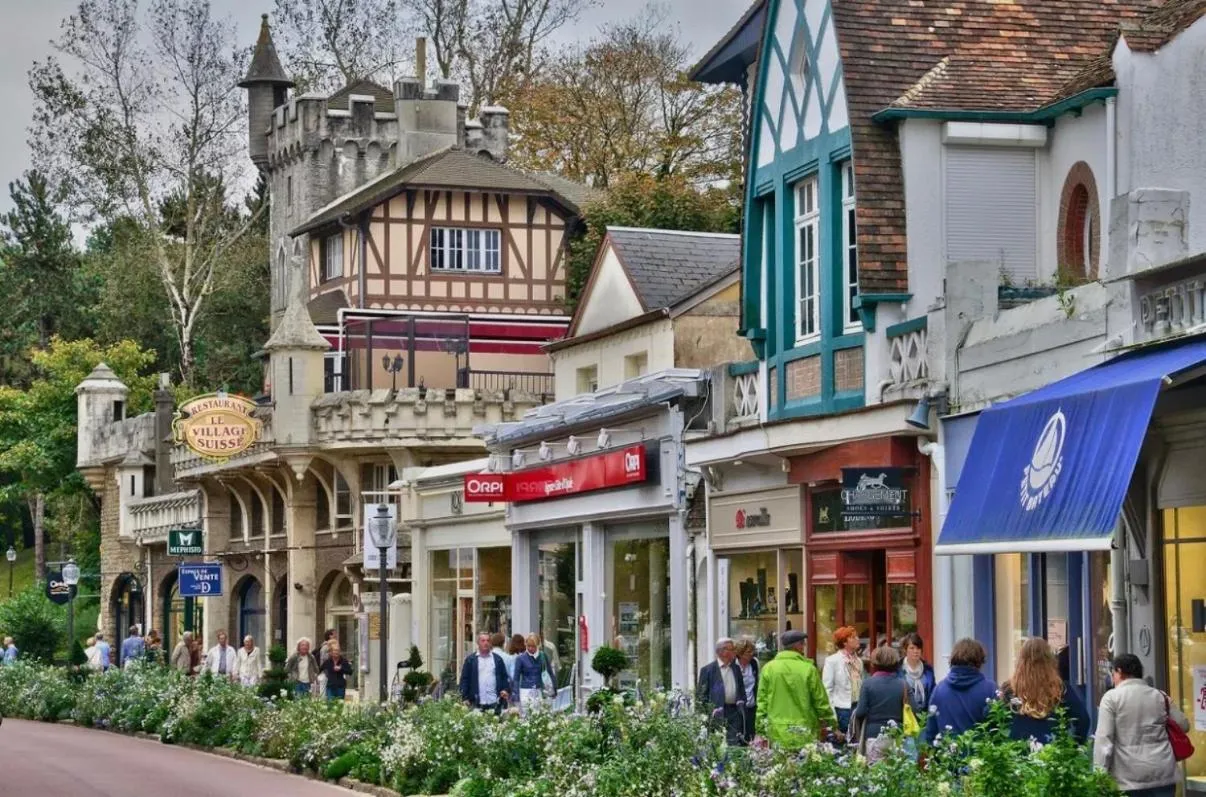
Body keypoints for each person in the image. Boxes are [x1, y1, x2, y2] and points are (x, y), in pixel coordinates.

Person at [1094, 653, 1190, 797]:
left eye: (1112, 673)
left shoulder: (1111, 698)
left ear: (1119, 671)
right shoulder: (1160, 696)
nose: (1113, 678)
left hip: (1129, 779)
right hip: (1164, 774)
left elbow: (1104, 741)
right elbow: (1184, 725)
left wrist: (1099, 776)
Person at [756, 630, 836, 749]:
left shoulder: (768, 668)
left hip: (777, 730)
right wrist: (832, 724)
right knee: (805, 765)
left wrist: (761, 729)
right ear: (798, 646)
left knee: (780, 766)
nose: (804, 647)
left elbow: (762, 702)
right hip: (805, 729)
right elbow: (820, 701)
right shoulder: (808, 669)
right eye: (803, 644)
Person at [1001, 637, 1090, 743]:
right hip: (1051, 751)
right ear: (1049, 659)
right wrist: (1073, 746)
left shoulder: (1010, 688)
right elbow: (1083, 719)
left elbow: (996, 720)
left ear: (1021, 660)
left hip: (1018, 750)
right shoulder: (1059, 689)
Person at [924, 638, 998, 743]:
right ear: (979, 662)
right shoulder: (990, 689)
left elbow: (931, 733)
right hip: (982, 756)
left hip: (948, 756)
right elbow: (997, 730)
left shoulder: (939, 690)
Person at [853, 645, 907, 762]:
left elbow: (860, 711)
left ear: (875, 663)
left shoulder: (868, 684)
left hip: (873, 734)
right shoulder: (903, 685)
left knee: (875, 775)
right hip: (896, 734)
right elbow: (915, 709)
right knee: (895, 774)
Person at [698, 637, 748, 745]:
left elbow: (742, 690)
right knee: (717, 744)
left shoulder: (736, 668)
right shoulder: (708, 670)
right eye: (732, 649)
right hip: (717, 712)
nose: (735, 652)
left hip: (734, 712)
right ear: (722, 651)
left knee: (733, 744)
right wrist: (707, 715)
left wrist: (742, 704)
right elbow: (701, 696)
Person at [822, 626, 863, 734]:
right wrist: (832, 716)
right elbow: (827, 689)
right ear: (844, 642)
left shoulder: (858, 661)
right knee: (842, 742)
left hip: (857, 706)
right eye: (853, 637)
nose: (857, 639)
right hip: (842, 708)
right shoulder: (832, 661)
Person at [459, 631, 511, 714]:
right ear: (478, 643)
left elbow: (504, 677)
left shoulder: (497, 659)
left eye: (488, 640)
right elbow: (465, 679)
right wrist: (464, 697)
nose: (485, 643)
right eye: (483, 641)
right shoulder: (471, 660)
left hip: (494, 702)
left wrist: (505, 690)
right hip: (476, 703)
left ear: (491, 643)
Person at [897, 632, 936, 717]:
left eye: (918, 648)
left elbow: (933, 694)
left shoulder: (928, 670)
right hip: (905, 717)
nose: (916, 651)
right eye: (912, 648)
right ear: (905, 649)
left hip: (925, 716)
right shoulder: (898, 669)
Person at [514, 634, 553, 712]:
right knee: (526, 716)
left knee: (538, 716)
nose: (530, 648)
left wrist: (554, 688)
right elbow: (516, 678)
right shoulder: (520, 658)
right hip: (525, 691)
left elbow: (550, 672)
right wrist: (516, 695)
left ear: (538, 645)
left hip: (539, 690)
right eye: (528, 646)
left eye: (533, 646)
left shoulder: (542, 656)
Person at [734, 639, 760, 745]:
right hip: (737, 708)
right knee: (738, 736)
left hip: (751, 706)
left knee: (750, 737)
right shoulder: (733, 665)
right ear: (740, 653)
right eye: (748, 652)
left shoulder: (754, 663)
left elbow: (757, 681)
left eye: (752, 651)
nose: (751, 654)